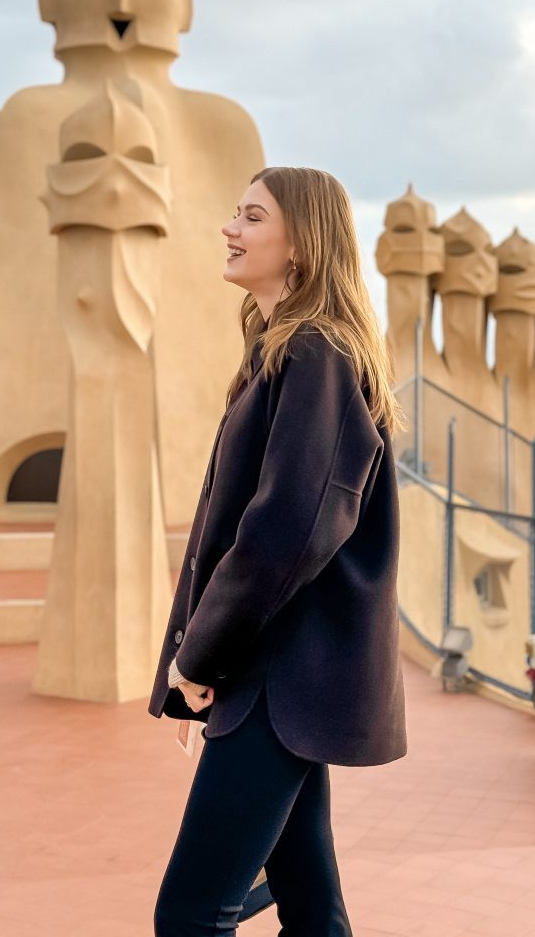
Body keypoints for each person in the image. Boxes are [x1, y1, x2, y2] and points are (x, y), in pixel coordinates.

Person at [149, 166, 408, 935]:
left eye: (252, 217)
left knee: (192, 915)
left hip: (279, 681)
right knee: (312, 911)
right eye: (236, 213)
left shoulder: (316, 355)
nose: (231, 228)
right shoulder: (280, 353)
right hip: (282, 678)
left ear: (301, 243)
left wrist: (199, 656)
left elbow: (286, 532)